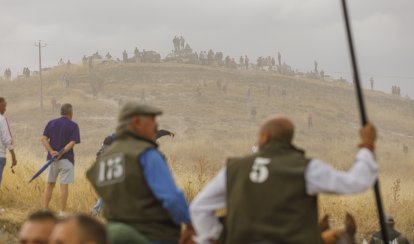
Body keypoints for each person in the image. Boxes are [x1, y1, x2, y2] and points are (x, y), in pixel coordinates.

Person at [190, 116, 378, 243]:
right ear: (290, 140)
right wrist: (367, 146)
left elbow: (198, 208)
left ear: (264, 137)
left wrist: (218, 236)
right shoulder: (306, 168)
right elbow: (355, 182)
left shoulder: (234, 169)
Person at [86, 102, 194, 244]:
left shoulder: (106, 159)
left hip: (112, 234)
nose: (156, 126)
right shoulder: (146, 154)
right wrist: (191, 223)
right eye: (152, 121)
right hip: (149, 234)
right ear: (137, 122)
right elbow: (172, 198)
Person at [41, 103, 80, 216]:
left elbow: (43, 139)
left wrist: (51, 151)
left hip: (51, 160)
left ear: (61, 112)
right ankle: (62, 212)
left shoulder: (51, 123)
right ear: (70, 113)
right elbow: (72, 142)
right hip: (66, 160)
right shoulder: (73, 125)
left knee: (49, 184)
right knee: (64, 185)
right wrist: (60, 153)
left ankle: (45, 210)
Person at [0, 97, 17, 188]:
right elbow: (7, 139)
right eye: (4, 106)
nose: (5, 109)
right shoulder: (2, 119)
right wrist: (13, 156)